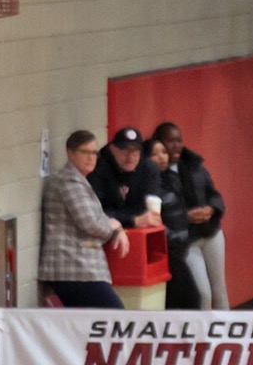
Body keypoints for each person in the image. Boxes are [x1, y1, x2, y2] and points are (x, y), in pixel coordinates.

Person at [39, 129, 129, 309]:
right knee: (115, 315)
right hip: (73, 270)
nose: (91, 157)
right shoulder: (69, 182)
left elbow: (99, 218)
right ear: (70, 153)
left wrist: (116, 227)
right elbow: (92, 224)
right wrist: (113, 226)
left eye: (94, 153)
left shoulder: (80, 181)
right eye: (85, 152)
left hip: (81, 270)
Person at [153, 122, 228, 309]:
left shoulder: (195, 166)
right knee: (203, 294)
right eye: (170, 141)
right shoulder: (155, 176)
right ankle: (202, 336)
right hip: (186, 242)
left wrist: (211, 209)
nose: (176, 145)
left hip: (211, 234)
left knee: (220, 291)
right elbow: (158, 214)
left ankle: (225, 335)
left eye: (179, 140)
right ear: (159, 144)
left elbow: (214, 195)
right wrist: (185, 217)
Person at [147, 136, 200, 309]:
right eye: (155, 154)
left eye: (163, 152)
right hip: (167, 251)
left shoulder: (172, 178)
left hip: (182, 246)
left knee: (189, 299)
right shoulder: (147, 185)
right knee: (191, 299)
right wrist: (169, 238)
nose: (161, 157)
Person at [90, 126, 164, 230]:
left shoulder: (149, 168)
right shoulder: (98, 169)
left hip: (141, 228)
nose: (130, 157)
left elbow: (149, 205)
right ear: (113, 149)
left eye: (135, 151)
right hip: (106, 230)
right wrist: (132, 220)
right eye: (125, 151)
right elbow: (96, 212)